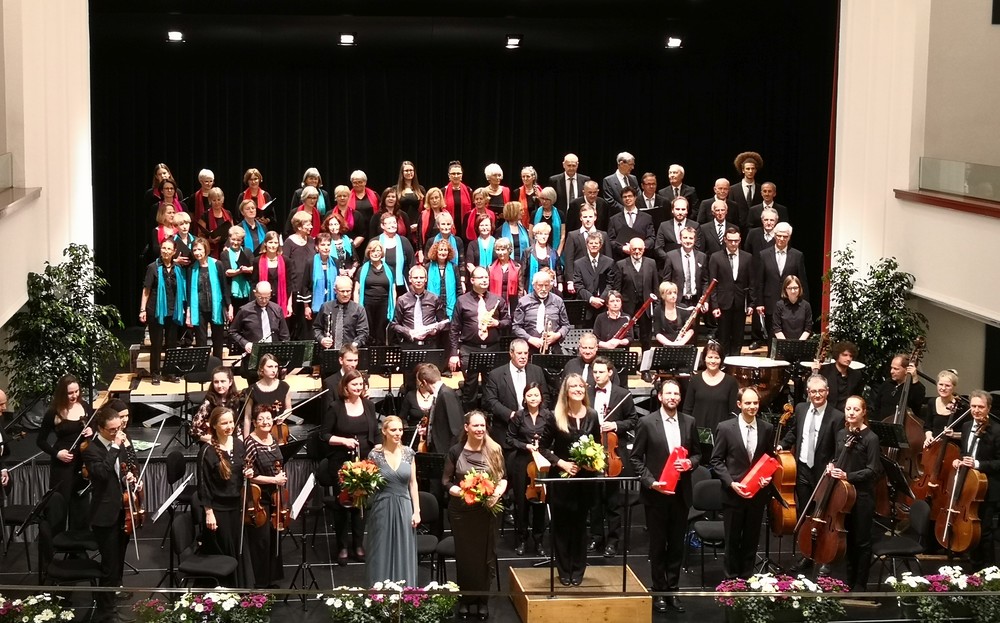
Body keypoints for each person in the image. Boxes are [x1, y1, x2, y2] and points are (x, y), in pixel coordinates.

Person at [630, 379, 701, 614]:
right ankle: (658, 591)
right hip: (656, 495)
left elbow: (698, 454)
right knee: (658, 546)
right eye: (668, 393)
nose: (672, 397)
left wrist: (690, 463)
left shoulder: (689, 422)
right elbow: (635, 458)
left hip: (681, 494)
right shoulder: (646, 423)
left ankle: (673, 590)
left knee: (677, 546)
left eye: (676, 394)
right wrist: (651, 482)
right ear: (659, 396)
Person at [443, 410, 507, 619]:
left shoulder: (495, 449)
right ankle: (465, 599)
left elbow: (503, 478)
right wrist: (465, 493)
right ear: (467, 427)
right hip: (462, 511)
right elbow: (446, 482)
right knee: (466, 557)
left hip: (487, 510)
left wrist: (496, 494)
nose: (480, 429)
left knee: (485, 556)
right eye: (475, 425)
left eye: (482, 425)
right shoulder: (456, 451)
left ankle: (482, 600)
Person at [538, 374, 600, 586]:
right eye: (573, 386)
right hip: (561, 480)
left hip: (584, 480)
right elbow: (543, 447)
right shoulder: (555, 416)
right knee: (562, 526)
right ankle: (564, 569)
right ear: (566, 391)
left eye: (580, 386)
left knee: (580, 526)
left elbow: (598, 445)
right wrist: (561, 463)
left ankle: (578, 569)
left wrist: (592, 463)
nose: (578, 389)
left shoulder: (592, 415)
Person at [778, 374, 844, 573]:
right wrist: (782, 444)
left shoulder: (837, 416)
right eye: (813, 391)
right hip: (803, 469)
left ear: (827, 392)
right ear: (808, 392)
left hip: (824, 473)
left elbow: (839, 447)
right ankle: (807, 554)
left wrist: (833, 464)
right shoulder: (800, 409)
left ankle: (825, 557)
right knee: (805, 514)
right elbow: (794, 432)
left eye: (821, 391)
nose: (817, 395)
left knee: (823, 513)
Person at [710, 386, 775, 579]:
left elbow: (769, 459)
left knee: (751, 540)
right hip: (733, 494)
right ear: (739, 404)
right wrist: (731, 483)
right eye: (748, 403)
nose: (752, 406)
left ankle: (747, 579)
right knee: (732, 540)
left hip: (757, 494)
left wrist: (767, 477)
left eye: (755, 403)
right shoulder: (725, 428)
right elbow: (716, 460)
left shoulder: (767, 428)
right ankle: (731, 580)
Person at [83, 405, 138, 623]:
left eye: (119, 428)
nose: (117, 432)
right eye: (112, 430)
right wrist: (115, 446)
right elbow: (103, 474)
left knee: (119, 560)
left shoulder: (120, 444)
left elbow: (120, 472)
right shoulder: (91, 450)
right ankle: (105, 612)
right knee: (109, 565)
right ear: (101, 428)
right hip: (104, 515)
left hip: (122, 512)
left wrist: (128, 478)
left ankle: (113, 599)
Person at [321, 369, 381, 565]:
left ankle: (358, 544)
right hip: (341, 464)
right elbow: (325, 435)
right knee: (343, 505)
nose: (358, 387)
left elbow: (376, 433)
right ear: (345, 386)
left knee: (360, 504)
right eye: (354, 384)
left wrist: (378, 448)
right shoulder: (335, 407)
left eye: (360, 384)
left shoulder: (369, 405)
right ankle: (342, 546)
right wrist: (343, 441)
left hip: (365, 462)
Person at [197, 406, 254, 586]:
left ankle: (241, 589)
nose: (229, 426)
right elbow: (204, 485)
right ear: (214, 425)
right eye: (224, 423)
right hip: (218, 510)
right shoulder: (206, 451)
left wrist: (249, 472)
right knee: (225, 552)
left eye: (231, 422)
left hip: (237, 507)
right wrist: (208, 513)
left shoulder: (239, 444)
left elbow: (243, 470)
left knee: (239, 548)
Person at [830, 395, 881, 591]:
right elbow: (837, 458)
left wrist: (848, 475)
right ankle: (849, 581)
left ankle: (860, 584)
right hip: (843, 497)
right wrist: (832, 465)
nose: (851, 412)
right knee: (848, 539)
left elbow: (873, 470)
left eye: (856, 409)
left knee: (861, 541)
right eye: (848, 409)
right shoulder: (841, 434)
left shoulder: (871, 438)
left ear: (864, 412)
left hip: (862, 497)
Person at [587, 357, 636, 556]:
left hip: (613, 452)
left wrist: (615, 425)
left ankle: (613, 541)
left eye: (601, 372)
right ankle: (596, 537)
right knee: (594, 500)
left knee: (613, 501)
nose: (597, 375)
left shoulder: (622, 394)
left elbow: (633, 420)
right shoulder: (587, 393)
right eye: (595, 372)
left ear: (610, 372)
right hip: (591, 451)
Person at [366, 415, 420, 587]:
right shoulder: (375, 455)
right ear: (384, 431)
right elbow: (369, 483)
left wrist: (417, 511)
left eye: (400, 430)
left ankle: (405, 593)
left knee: (404, 548)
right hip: (382, 506)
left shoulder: (409, 453)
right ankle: (379, 593)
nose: (398, 433)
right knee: (381, 549)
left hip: (404, 506)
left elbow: (413, 483)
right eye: (393, 430)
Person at [449, 266, 511, 410]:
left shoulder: (497, 300)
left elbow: (508, 322)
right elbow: (454, 328)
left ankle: (489, 417)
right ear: (472, 280)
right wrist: (453, 353)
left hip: (492, 348)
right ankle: (469, 417)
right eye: (480, 277)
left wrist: (497, 323)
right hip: (469, 349)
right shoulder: (462, 301)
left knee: (491, 387)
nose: (484, 280)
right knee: (469, 387)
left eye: (486, 277)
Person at [951, 390, 1000, 571]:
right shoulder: (966, 427)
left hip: (988, 487)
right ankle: (974, 565)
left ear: (988, 408)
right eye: (973, 406)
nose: (976, 410)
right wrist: (959, 460)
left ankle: (989, 570)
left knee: (984, 531)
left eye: (981, 407)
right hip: (969, 486)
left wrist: (977, 464)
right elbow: (966, 452)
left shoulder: (996, 430)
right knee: (971, 528)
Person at [37, 374, 94, 529]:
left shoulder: (85, 407)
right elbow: (40, 441)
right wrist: (57, 454)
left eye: (76, 391)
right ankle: (57, 539)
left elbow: (94, 426)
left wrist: (91, 431)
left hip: (82, 462)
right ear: (63, 393)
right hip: (62, 464)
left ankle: (78, 541)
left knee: (80, 506)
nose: (74, 395)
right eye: (70, 393)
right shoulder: (53, 412)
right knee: (60, 505)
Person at [505, 383, 552, 557]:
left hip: (542, 462)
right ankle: (522, 540)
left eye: (536, 395)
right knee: (521, 503)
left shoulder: (548, 416)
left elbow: (553, 437)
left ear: (541, 397)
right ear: (524, 398)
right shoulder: (518, 416)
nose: (533, 398)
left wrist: (543, 448)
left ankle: (539, 541)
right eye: (530, 395)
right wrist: (525, 446)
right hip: (522, 462)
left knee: (540, 502)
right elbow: (509, 439)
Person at [243, 404, 287, 589]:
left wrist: (280, 476)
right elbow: (249, 475)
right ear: (254, 422)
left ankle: (271, 579)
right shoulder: (250, 443)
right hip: (258, 498)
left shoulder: (273, 438)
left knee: (274, 538)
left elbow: (279, 463)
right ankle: (260, 583)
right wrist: (274, 480)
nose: (265, 422)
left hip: (275, 495)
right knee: (261, 541)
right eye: (261, 419)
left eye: (268, 418)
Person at [483, 339, 549, 448]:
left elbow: (545, 396)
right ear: (511, 353)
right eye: (519, 353)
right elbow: (490, 401)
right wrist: (512, 415)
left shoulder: (537, 371)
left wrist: (536, 415)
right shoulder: (496, 374)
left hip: (533, 431)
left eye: (526, 353)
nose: (523, 357)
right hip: (506, 430)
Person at [752, 222, 808, 349]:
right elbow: (760, 281)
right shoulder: (764, 255)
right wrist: (759, 302)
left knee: (790, 340)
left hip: (791, 305)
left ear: (789, 237)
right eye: (779, 235)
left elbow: (802, 281)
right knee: (772, 340)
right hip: (770, 303)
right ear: (774, 235)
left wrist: (804, 304)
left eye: (785, 236)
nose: (782, 239)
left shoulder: (797, 255)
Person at [140, 237, 186, 384]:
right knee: (156, 344)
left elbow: (181, 290)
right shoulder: (153, 267)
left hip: (173, 311)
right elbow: (146, 290)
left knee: (172, 344)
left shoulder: (178, 268)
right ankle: (155, 373)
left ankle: (170, 373)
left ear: (174, 251)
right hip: (155, 310)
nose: (166, 251)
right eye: (164, 248)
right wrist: (142, 310)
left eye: (169, 249)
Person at [709, 227, 756, 356]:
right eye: (730, 241)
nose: (733, 243)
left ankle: (735, 361)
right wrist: (715, 305)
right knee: (723, 337)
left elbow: (752, 282)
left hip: (740, 303)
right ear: (725, 240)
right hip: (723, 303)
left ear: (740, 240)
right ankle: (724, 362)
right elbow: (712, 284)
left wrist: (751, 304)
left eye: (736, 241)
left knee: (738, 337)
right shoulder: (716, 257)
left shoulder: (747, 257)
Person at [185, 237, 233, 361]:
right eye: (194, 250)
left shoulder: (217, 264)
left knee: (218, 340)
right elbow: (189, 291)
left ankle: (217, 366)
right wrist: (189, 311)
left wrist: (229, 306)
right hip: (199, 309)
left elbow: (224, 287)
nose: (197, 252)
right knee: (201, 341)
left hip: (216, 307)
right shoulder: (191, 268)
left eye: (199, 249)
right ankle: (202, 366)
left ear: (206, 249)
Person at [613, 236, 658, 349]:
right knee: (625, 337)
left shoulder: (651, 263)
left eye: (640, 249)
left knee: (646, 338)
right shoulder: (621, 264)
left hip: (645, 307)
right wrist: (618, 307)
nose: (637, 251)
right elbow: (617, 288)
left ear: (644, 249)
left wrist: (656, 306)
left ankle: (645, 360)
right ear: (629, 249)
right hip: (627, 307)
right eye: (634, 249)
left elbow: (655, 286)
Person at [389, 264, 448, 348]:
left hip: (430, 343)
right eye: (415, 278)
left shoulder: (434, 298)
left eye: (421, 277)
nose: (419, 280)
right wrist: (407, 332)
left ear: (426, 279)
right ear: (410, 279)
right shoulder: (402, 300)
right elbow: (394, 324)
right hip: (409, 343)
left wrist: (436, 329)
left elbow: (443, 321)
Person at [513, 270, 570, 354]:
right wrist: (530, 339)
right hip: (529, 347)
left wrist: (557, 335)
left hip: (553, 348)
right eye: (540, 285)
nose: (543, 289)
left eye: (546, 285)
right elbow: (516, 327)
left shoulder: (558, 301)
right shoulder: (523, 302)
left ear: (550, 286)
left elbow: (566, 325)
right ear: (534, 285)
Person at [228, 281, 291, 358]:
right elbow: (232, 332)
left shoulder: (277, 309)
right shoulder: (244, 310)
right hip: (252, 355)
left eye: (267, 297)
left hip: (273, 356)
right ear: (255, 293)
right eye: (260, 297)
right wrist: (245, 343)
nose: (264, 301)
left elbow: (285, 336)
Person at [415, 363, 465, 454]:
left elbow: (456, 429)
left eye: (422, 384)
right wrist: (429, 431)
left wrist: (452, 456)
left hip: (446, 452)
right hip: (439, 451)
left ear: (425, 382)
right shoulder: (440, 395)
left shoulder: (446, 394)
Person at [283, 211, 318, 340]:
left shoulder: (311, 241)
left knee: (307, 322)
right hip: (295, 287)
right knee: (295, 321)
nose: (311, 226)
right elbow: (285, 264)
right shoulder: (289, 242)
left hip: (309, 287)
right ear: (299, 226)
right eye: (308, 224)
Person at [315, 275, 369, 351]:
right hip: (329, 351)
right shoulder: (326, 307)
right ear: (335, 290)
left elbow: (363, 333)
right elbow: (317, 328)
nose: (345, 294)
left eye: (348, 291)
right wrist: (322, 339)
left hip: (350, 352)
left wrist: (355, 344)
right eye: (342, 291)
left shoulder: (359, 309)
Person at [244, 354, 291, 438]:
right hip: (259, 434)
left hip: (278, 432)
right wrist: (246, 439)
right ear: (261, 368)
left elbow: (289, 409)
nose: (274, 370)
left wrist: (283, 416)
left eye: (276, 367)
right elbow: (247, 417)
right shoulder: (252, 389)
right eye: (270, 367)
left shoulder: (284, 387)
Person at [191, 366, 241, 444]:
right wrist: (214, 440)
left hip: (231, 441)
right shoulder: (208, 402)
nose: (219, 385)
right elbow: (193, 430)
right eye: (216, 382)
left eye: (223, 381)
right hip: (214, 443)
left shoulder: (236, 400)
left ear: (230, 382)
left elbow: (238, 427)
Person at [871, 352, 926, 421]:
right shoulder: (887, 384)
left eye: (896, 369)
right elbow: (877, 407)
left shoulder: (916, 387)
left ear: (906, 370)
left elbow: (916, 405)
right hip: (882, 424)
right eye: (891, 368)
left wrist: (914, 377)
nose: (891, 371)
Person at [813, 341, 864, 412]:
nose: (848, 359)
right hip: (826, 412)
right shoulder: (824, 371)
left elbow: (857, 398)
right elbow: (810, 390)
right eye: (845, 355)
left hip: (847, 413)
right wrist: (814, 372)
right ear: (837, 355)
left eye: (851, 356)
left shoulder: (856, 375)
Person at [606, 186, 655, 261]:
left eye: (630, 196)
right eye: (624, 197)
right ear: (622, 199)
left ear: (635, 197)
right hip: (621, 259)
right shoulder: (614, 219)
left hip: (643, 258)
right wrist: (622, 248)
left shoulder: (647, 218)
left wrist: (639, 247)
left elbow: (651, 238)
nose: (627, 198)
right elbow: (610, 240)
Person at [376, 210, 415, 298]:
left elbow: (412, 263)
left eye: (394, 222)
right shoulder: (375, 241)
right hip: (380, 285)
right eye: (389, 223)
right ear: (382, 226)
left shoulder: (404, 241)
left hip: (400, 285)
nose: (392, 225)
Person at [302, 232, 339, 321]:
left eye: (328, 245)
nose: (326, 247)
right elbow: (305, 286)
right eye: (322, 245)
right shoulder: (311, 262)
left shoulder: (335, 262)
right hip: (314, 307)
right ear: (317, 247)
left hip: (333, 305)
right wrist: (306, 307)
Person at [922, 369, 963, 446]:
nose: (943, 388)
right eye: (941, 384)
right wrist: (929, 436)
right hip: (934, 446)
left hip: (954, 447)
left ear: (954, 387)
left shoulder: (962, 406)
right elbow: (927, 427)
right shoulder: (932, 402)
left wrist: (954, 434)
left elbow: (968, 433)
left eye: (947, 385)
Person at [519, 222, 561, 295]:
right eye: (540, 234)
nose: (543, 236)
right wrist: (523, 290)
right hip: (531, 289)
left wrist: (560, 285)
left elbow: (559, 271)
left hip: (550, 289)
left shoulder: (553, 252)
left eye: (546, 234)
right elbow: (523, 273)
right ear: (535, 236)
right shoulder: (528, 252)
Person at [654, 196, 699, 264]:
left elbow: (697, 247)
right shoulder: (664, 226)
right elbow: (658, 248)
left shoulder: (695, 226)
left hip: (689, 262)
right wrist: (670, 259)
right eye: (677, 209)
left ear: (687, 211)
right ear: (672, 210)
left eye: (683, 209)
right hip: (668, 262)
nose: (680, 212)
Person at [729, 151, 764, 233]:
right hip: (737, 229)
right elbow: (731, 210)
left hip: (757, 228)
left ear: (756, 170)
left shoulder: (761, 189)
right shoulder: (733, 189)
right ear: (743, 170)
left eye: (753, 168)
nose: (750, 171)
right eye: (748, 169)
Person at [425, 239, 460, 319]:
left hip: (450, 308)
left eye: (445, 250)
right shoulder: (428, 267)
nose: (443, 252)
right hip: (432, 308)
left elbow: (459, 289)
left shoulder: (454, 267)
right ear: (436, 251)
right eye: (440, 250)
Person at [652, 280, 694, 346]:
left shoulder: (683, 308)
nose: (673, 295)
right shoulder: (658, 310)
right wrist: (671, 344)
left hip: (682, 344)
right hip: (665, 345)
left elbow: (691, 330)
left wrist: (681, 343)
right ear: (663, 295)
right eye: (670, 293)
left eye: (675, 292)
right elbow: (657, 333)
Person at [222, 226, 254, 312]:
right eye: (233, 239)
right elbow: (227, 272)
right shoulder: (225, 254)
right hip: (231, 292)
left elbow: (254, 267)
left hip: (247, 290)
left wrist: (247, 269)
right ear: (229, 238)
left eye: (238, 240)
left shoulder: (247, 251)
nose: (235, 242)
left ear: (242, 240)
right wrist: (239, 271)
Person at [345, 170, 379, 250]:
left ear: (365, 182)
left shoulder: (374, 195)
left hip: (371, 230)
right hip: (355, 232)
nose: (357, 185)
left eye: (360, 182)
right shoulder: (347, 196)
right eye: (355, 182)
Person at [772, 275, 813, 340]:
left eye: (795, 288)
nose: (793, 291)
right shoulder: (779, 305)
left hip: (801, 342)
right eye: (790, 288)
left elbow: (808, 328)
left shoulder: (806, 305)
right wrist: (786, 343)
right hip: (782, 342)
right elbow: (777, 328)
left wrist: (799, 343)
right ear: (785, 289)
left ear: (799, 288)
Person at [487, 237, 520, 315]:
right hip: (495, 301)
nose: (500, 252)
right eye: (498, 250)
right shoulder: (490, 267)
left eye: (503, 249)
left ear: (509, 250)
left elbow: (520, 289)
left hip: (512, 302)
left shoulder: (517, 267)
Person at [199, 186, 233, 258]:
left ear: (222, 200)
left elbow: (233, 231)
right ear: (210, 201)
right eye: (214, 200)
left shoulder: (228, 213)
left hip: (227, 248)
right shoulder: (205, 215)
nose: (217, 202)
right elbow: (200, 236)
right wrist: (210, 240)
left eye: (219, 199)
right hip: (211, 250)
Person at [532, 186, 566, 257]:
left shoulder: (560, 214)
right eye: (542, 198)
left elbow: (562, 236)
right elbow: (531, 235)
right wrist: (534, 251)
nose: (544, 201)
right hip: (537, 252)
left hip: (555, 250)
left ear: (552, 200)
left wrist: (557, 253)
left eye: (547, 199)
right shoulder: (534, 213)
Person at [396, 161, 425, 239]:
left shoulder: (420, 189)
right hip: (401, 226)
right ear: (402, 173)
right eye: (406, 170)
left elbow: (425, 209)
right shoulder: (395, 189)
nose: (409, 172)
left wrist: (418, 224)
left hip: (417, 226)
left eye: (411, 170)